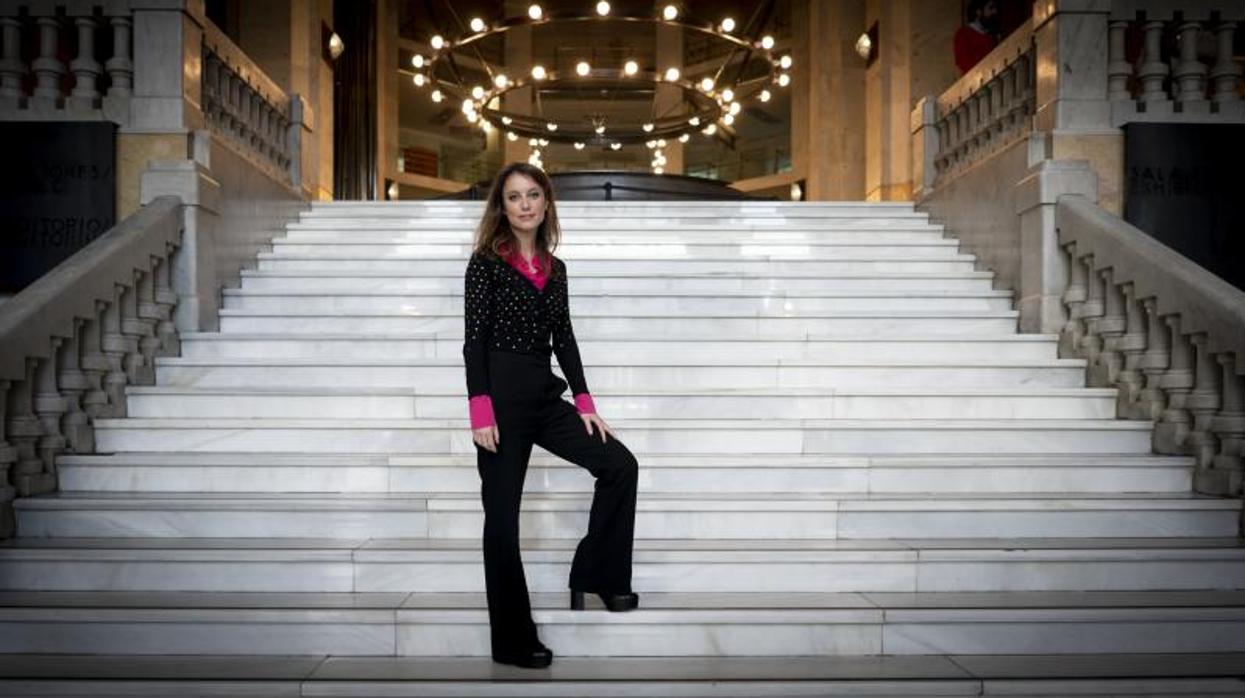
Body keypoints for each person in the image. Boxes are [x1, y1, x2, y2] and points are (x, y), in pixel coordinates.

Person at [462, 162, 641, 669]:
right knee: (501, 521)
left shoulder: (555, 269)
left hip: (544, 398)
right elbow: (474, 342)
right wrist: (480, 408)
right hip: (500, 404)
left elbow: (563, 337)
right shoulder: (484, 263)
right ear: (502, 206)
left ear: (545, 203)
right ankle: (513, 639)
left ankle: (599, 576)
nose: (524, 204)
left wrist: (584, 402)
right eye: (514, 196)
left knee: (619, 465)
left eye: (533, 195)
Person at [954, 0, 1000, 75]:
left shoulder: (992, 37)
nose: (995, 11)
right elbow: (964, 64)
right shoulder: (963, 34)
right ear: (978, 12)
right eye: (991, 8)